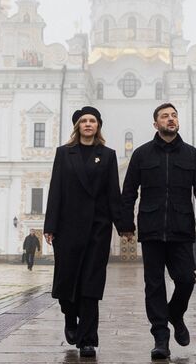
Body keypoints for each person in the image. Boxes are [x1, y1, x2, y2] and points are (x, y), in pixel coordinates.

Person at [120, 103, 196, 360]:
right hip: (151, 230)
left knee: (186, 279)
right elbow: (129, 191)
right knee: (154, 285)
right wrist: (126, 224)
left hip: (181, 229)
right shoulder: (141, 155)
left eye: (174, 116)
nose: (170, 119)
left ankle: (175, 313)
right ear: (156, 124)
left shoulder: (191, 155)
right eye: (165, 116)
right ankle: (161, 337)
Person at [44, 106, 124, 359]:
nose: (88, 124)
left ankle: (88, 339)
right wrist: (50, 225)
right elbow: (56, 188)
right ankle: (69, 316)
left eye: (92, 121)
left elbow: (113, 193)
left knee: (91, 283)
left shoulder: (108, 155)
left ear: (98, 126)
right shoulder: (64, 153)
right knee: (66, 280)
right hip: (67, 226)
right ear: (77, 126)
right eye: (83, 121)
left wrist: (124, 226)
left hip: (97, 228)